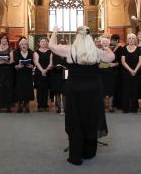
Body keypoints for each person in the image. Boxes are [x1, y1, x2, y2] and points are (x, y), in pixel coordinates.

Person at [49, 25, 114, 166]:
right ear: (90, 37)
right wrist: (106, 46)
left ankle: (76, 155)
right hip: (94, 90)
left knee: (76, 119)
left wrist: (55, 31)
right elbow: (111, 57)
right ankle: (89, 152)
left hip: (75, 90)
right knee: (91, 118)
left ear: (77, 36)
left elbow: (51, 46)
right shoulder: (96, 51)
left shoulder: (70, 50)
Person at [0, 33, 14, 113]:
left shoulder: (10, 48)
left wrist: (7, 61)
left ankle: (8, 106)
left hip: (7, 69)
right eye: (3, 38)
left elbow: (12, 60)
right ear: (0, 39)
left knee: (7, 87)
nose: (4, 40)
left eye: (5, 39)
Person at [121, 33, 141, 113]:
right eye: (129, 38)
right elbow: (123, 61)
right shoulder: (124, 49)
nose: (131, 40)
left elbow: (140, 61)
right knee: (126, 90)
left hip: (136, 73)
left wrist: (135, 70)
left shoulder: (138, 49)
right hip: (126, 73)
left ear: (135, 40)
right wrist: (130, 70)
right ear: (127, 40)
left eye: (133, 38)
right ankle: (125, 108)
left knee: (135, 90)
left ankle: (133, 108)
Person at [14, 38, 34, 113]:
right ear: (19, 46)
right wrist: (17, 66)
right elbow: (14, 65)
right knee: (20, 89)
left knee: (27, 89)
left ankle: (26, 105)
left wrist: (32, 66)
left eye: (25, 44)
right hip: (19, 74)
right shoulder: (16, 53)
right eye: (22, 44)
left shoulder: (31, 53)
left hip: (28, 74)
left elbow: (33, 63)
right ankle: (20, 105)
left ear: (27, 45)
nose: (23, 45)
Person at [99, 37, 118, 112]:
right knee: (102, 90)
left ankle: (110, 106)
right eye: (103, 43)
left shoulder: (113, 51)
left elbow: (117, 62)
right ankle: (102, 106)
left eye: (106, 43)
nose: (105, 44)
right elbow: (97, 62)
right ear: (101, 44)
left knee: (111, 89)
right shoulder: (99, 51)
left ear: (109, 43)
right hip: (101, 73)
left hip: (111, 73)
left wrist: (114, 64)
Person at [33, 37, 53, 112]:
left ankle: (45, 104)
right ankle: (40, 104)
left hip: (48, 72)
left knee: (46, 88)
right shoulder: (36, 52)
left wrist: (46, 69)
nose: (44, 43)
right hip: (39, 72)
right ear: (39, 43)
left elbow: (51, 62)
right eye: (42, 41)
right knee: (39, 89)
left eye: (45, 41)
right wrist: (42, 70)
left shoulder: (50, 52)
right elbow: (36, 62)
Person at [51, 38, 67, 114]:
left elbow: (71, 63)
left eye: (63, 43)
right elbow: (51, 64)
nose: (61, 44)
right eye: (60, 43)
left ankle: (65, 107)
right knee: (57, 91)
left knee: (65, 91)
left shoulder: (68, 53)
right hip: (56, 72)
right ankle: (59, 108)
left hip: (66, 72)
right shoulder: (53, 53)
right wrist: (53, 66)